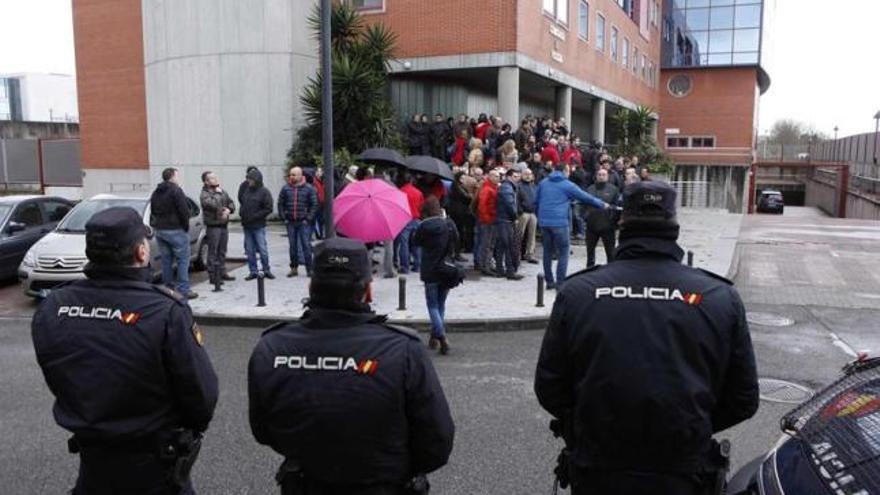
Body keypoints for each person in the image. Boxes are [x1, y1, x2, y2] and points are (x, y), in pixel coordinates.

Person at [534, 181, 759, 495]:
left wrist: (591, 426)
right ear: (675, 228)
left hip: (599, 467)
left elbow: (550, 387)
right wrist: (688, 426)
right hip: (682, 470)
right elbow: (742, 399)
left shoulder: (578, 293)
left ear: (621, 224)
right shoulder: (719, 297)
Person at [32, 207, 218, 495]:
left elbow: (58, 375)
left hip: (92, 463)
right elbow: (201, 398)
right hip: (154, 466)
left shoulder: (53, 306)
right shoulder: (166, 311)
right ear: (141, 253)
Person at [248, 237, 455, 493]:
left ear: (311, 286)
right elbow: (437, 441)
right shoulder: (404, 350)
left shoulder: (272, 347)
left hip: (307, 482)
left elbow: (263, 430)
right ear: (367, 290)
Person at [535, 163, 608, 290]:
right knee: (563, 252)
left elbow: (536, 202)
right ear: (565, 171)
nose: (569, 174)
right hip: (560, 223)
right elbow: (586, 197)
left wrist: (540, 217)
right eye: (568, 171)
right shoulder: (567, 184)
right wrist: (602, 204)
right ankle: (560, 282)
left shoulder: (543, 183)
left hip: (544, 222)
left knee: (547, 251)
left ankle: (549, 281)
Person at [414, 197, 459, 354]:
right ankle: (435, 337)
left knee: (432, 305)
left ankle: (441, 336)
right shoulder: (448, 223)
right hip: (446, 269)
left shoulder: (423, 226)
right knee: (441, 304)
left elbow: (415, 242)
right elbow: (457, 242)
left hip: (430, 270)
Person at [150, 167, 197, 299]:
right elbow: (184, 211)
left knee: (166, 260)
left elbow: (153, 210)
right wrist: (185, 227)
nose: (178, 178)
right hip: (175, 229)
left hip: (160, 230)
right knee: (183, 260)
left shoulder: (156, 192)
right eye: (177, 175)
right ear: (172, 177)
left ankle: (168, 288)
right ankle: (184, 290)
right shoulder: (176, 190)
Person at [278, 166, 318, 278]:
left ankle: (309, 269)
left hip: (303, 222)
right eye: (290, 174)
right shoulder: (285, 188)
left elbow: (314, 205)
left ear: (301, 176)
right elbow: (280, 204)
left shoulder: (309, 188)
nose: (291, 176)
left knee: (306, 245)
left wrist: (308, 219)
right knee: (292, 246)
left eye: (294, 174)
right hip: (290, 222)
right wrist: (284, 218)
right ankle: (294, 268)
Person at [200, 171, 236, 288]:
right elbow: (213, 205)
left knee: (222, 251)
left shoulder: (221, 191)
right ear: (206, 181)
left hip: (223, 225)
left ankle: (222, 272)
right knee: (213, 252)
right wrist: (218, 194)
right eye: (212, 178)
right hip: (213, 226)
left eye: (215, 177)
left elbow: (231, 203)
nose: (215, 179)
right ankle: (213, 276)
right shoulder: (204, 194)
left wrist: (229, 210)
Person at [239, 167, 275, 280]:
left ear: (256, 180)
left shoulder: (264, 192)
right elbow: (242, 203)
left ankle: (266, 270)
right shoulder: (246, 190)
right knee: (250, 251)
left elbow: (268, 208)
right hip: (247, 226)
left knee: (262, 249)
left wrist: (255, 216)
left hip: (258, 225)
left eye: (250, 179)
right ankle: (253, 271)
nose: (248, 181)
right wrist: (242, 214)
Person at [584, 168, 620, 268]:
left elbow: (617, 207)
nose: (601, 176)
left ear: (607, 176)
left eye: (603, 174)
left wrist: (614, 222)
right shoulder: (590, 188)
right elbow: (583, 204)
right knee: (590, 253)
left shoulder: (613, 189)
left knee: (611, 254)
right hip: (591, 226)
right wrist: (585, 216)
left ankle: (611, 273)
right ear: (596, 176)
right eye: (599, 174)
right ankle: (589, 271)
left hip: (607, 226)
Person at [494, 168, 523, 280]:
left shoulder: (507, 187)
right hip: (505, 220)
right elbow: (510, 204)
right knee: (509, 246)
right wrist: (515, 217)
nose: (517, 179)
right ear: (509, 177)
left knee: (502, 246)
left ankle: (500, 270)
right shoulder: (507, 187)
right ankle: (510, 272)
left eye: (518, 177)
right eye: (515, 177)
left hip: (503, 219)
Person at [395, 172, 424, 274]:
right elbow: (421, 207)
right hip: (416, 219)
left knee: (404, 244)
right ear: (411, 181)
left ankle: (405, 267)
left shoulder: (400, 192)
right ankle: (417, 265)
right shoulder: (418, 192)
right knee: (417, 244)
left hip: (405, 220)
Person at [476, 169, 501, 277]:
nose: (498, 178)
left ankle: (487, 265)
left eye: (498, 176)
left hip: (491, 219)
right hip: (488, 221)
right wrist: (487, 219)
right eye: (495, 176)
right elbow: (482, 206)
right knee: (486, 244)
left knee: (490, 244)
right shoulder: (487, 189)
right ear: (490, 177)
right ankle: (485, 266)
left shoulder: (493, 188)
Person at [517, 168, 539, 264]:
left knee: (532, 235)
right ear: (522, 175)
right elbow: (516, 200)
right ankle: (516, 254)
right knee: (519, 235)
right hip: (523, 213)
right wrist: (520, 211)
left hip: (533, 213)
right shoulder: (519, 186)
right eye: (526, 174)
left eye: (529, 174)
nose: (528, 176)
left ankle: (530, 254)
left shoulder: (534, 186)